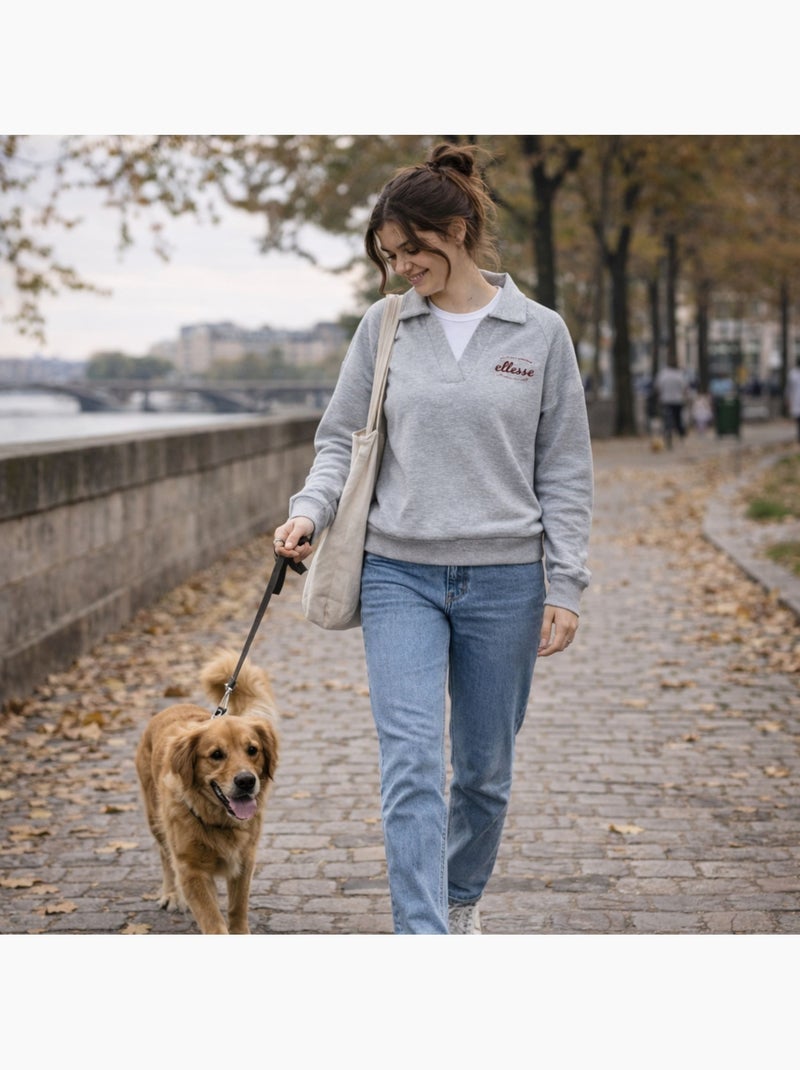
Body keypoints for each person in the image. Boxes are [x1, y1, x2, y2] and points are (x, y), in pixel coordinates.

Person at [273, 143, 593, 934]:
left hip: (506, 582)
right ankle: (423, 936)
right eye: (390, 256)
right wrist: (307, 510)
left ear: (456, 230)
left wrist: (567, 585)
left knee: (483, 774)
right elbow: (343, 440)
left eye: (412, 250)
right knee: (411, 764)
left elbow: (566, 470)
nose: (401, 267)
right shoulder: (384, 328)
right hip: (397, 576)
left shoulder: (540, 333)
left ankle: (458, 897)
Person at [655, 360, 688, 448]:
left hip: (666, 400)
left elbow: (658, 387)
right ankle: (681, 435)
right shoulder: (679, 375)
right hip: (678, 400)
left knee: (667, 419)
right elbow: (684, 388)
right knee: (678, 419)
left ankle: (668, 433)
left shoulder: (663, 374)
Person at [787, 357, 800, 443]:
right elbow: (789, 389)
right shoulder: (793, 374)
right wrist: (788, 400)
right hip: (796, 399)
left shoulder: (792, 374)